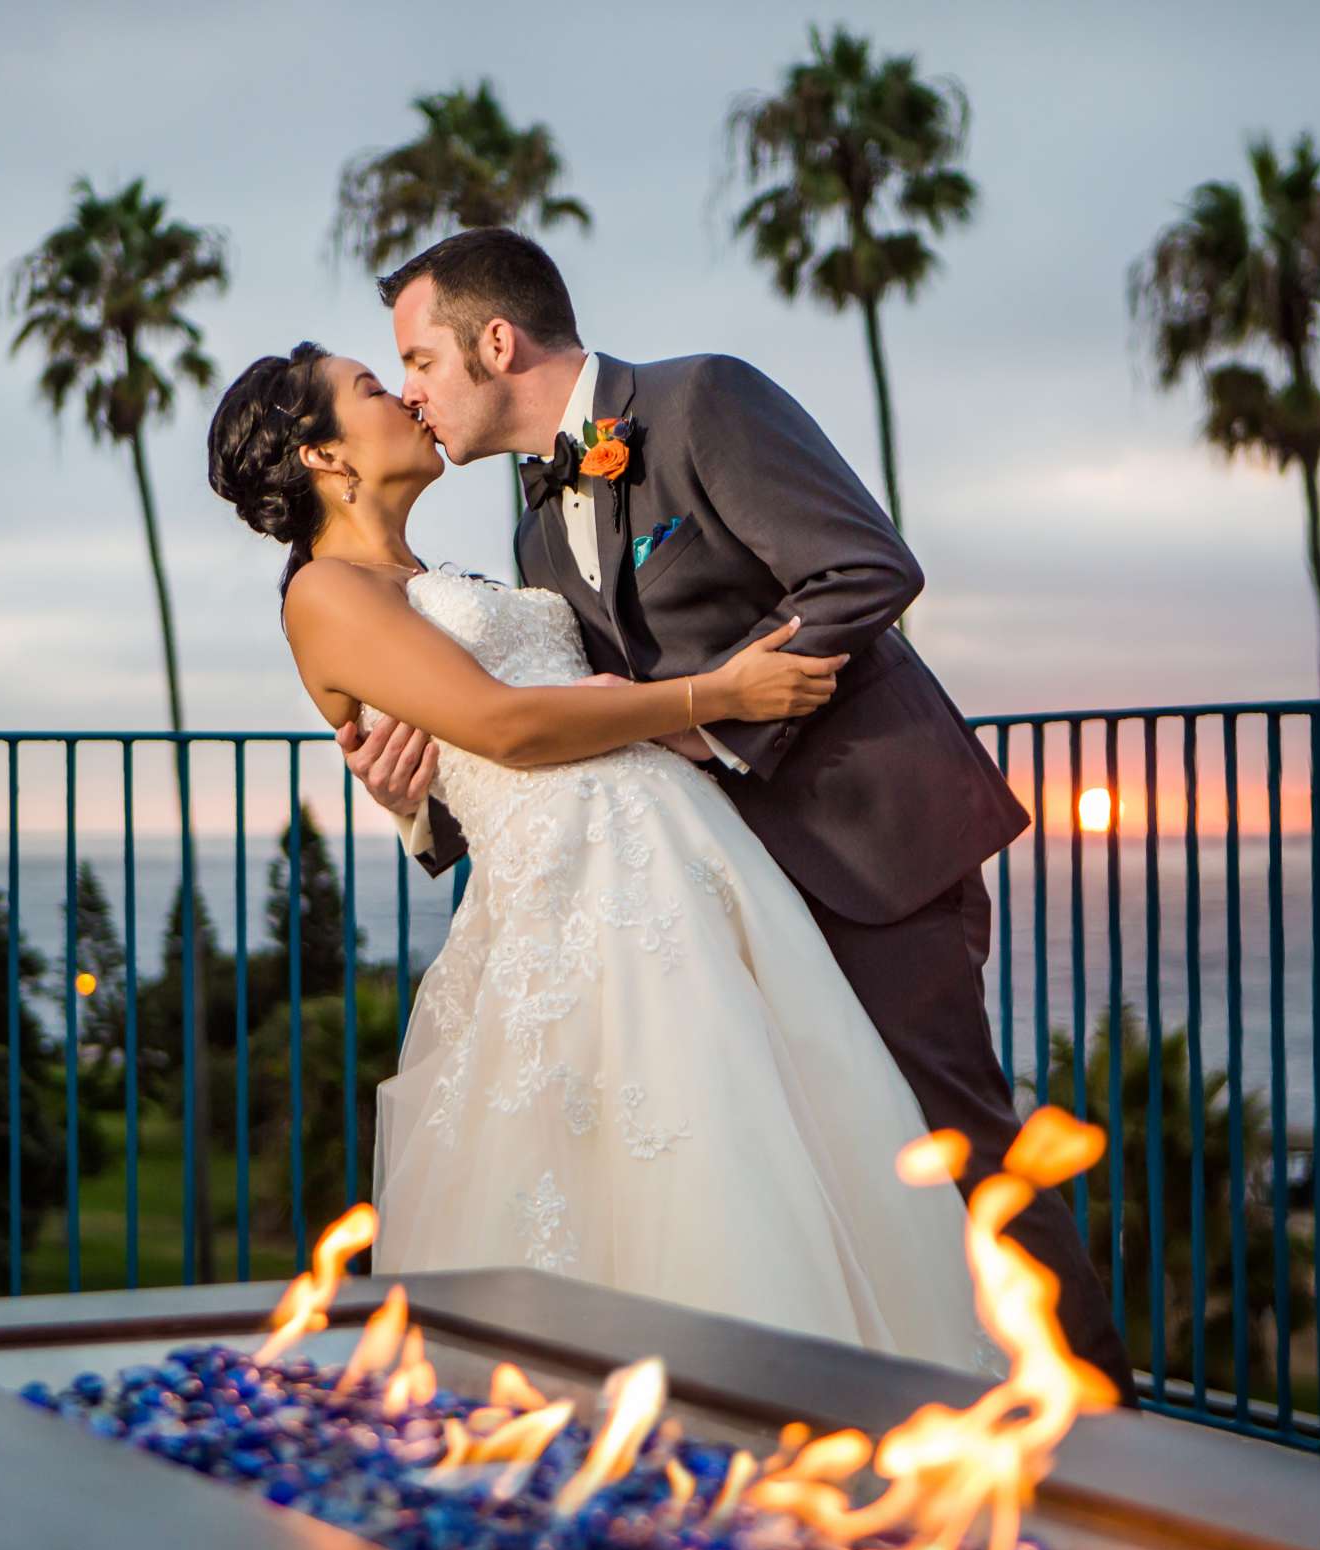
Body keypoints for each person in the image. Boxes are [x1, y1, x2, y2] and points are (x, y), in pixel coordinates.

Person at [337, 226, 1136, 1400]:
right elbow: (562, 734)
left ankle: (1115, 1442)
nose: (409, 391)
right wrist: (423, 809)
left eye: (417, 358)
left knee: (957, 1143)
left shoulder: (702, 399)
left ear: (494, 341)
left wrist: (709, 719)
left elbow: (864, 569)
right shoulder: (525, 529)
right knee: (839, 1169)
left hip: (867, 845)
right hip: (719, 895)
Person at [209, 340, 989, 1369]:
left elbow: (487, 729)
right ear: (322, 456)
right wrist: (719, 694)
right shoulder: (325, 592)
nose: (402, 393)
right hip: (575, 903)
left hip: (682, 864)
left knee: (759, 1152)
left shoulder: (447, 573)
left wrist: (428, 788)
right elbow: (505, 727)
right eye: (371, 387)